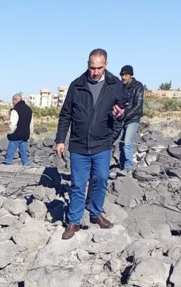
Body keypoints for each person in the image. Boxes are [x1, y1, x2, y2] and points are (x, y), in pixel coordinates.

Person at [54, 48, 127, 240]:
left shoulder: (115, 85)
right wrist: (60, 140)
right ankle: (74, 221)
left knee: (101, 179)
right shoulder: (77, 85)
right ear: (88, 64)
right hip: (78, 144)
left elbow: (122, 110)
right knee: (78, 184)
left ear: (106, 65)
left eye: (99, 68)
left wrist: (117, 122)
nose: (95, 72)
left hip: (102, 143)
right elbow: (65, 114)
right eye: (92, 68)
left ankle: (95, 213)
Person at [118, 65, 144, 172]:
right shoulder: (120, 87)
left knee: (127, 143)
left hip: (133, 118)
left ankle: (128, 167)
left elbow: (138, 105)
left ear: (131, 75)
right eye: (122, 75)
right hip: (121, 118)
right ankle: (122, 166)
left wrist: (125, 114)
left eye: (125, 75)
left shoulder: (138, 86)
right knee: (121, 144)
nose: (123, 77)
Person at [4, 92, 32, 165]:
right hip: (25, 135)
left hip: (16, 136)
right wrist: (30, 133)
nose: (12, 103)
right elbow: (31, 124)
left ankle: (7, 169)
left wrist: (10, 133)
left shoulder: (15, 110)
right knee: (24, 154)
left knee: (10, 154)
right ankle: (27, 168)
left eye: (12, 101)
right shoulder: (29, 109)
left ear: (15, 100)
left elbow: (13, 124)